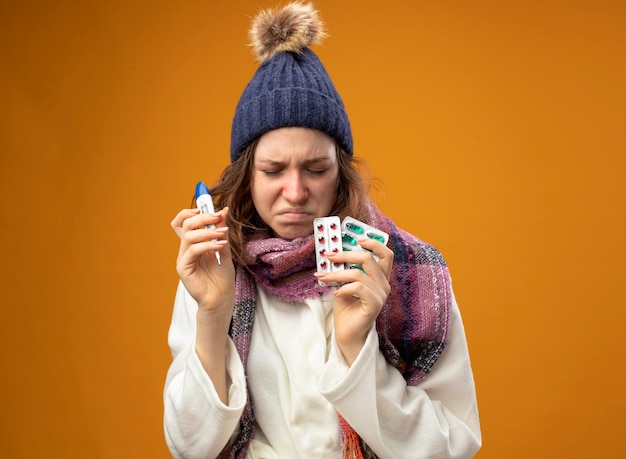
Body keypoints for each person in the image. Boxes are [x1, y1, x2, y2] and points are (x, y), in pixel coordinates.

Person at [164, 2, 481, 458]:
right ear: (246, 176)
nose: (295, 191)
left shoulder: (412, 273)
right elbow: (188, 448)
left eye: (315, 168)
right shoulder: (213, 271)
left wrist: (356, 351)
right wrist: (212, 316)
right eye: (273, 170)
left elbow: (452, 448)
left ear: (341, 173)